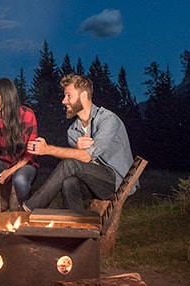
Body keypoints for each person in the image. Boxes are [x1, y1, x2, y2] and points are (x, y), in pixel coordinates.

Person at [23, 74, 135, 212]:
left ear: (83, 96)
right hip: (93, 181)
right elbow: (80, 162)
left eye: (68, 96)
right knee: (68, 182)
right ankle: (76, 225)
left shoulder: (108, 120)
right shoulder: (73, 131)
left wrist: (47, 149)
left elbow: (86, 157)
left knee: (70, 164)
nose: (64, 101)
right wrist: (76, 149)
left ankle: (30, 208)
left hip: (116, 182)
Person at [0, 77, 38, 211]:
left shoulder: (26, 115)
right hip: (1, 165)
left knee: (19, 180)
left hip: (24, 164)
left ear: (5, 94)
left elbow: (31, 153)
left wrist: (10, 172)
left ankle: (26, 212)